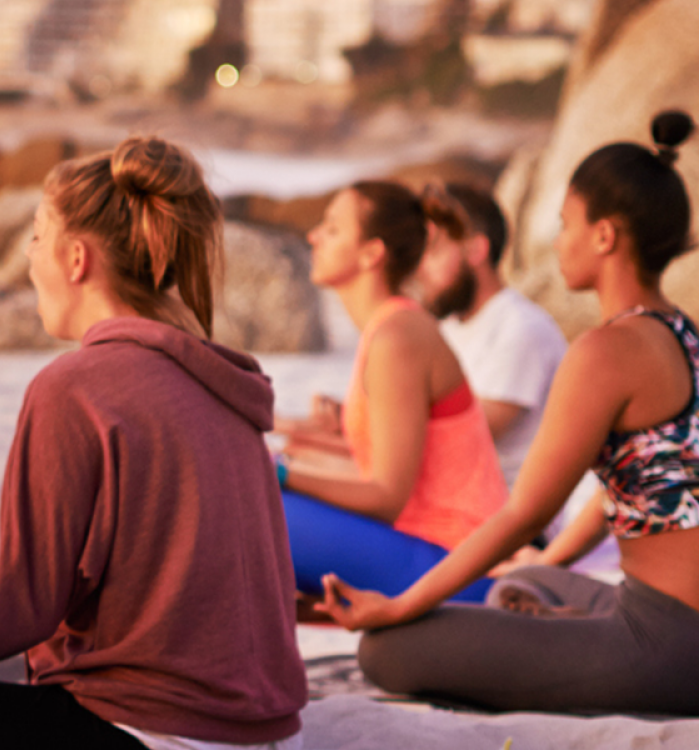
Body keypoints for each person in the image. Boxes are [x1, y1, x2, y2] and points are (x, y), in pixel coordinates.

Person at [0, 137, 307, 750]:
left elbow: (20, 610)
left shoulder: (75, 387)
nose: (29, 258)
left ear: (77, 259)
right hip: (266, 735)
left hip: (152, 734)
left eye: (35, 236)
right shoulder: (226, 382)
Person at [324, 111, 699, 717]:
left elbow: (527, 510)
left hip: (666, 643)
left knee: (385, 651)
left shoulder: (606, 351)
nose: (557, 242)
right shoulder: (684, 334)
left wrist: (399, 606)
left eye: (564, 224)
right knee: (530, 582)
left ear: (604, 236)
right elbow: (634, 497)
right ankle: (564, 615)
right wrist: (550, 563)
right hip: (669, 618)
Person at [272, 180, 508, 603]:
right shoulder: (388, 329)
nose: (313, 236)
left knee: (258, 508)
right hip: (427, 548)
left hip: (458, 566)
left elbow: (386, 496)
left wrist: (283, 474)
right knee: (253, 492)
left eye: (332, 227)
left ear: (371, 254)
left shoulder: (397, 337)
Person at [415, 182, 568, 481]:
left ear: (476, 249)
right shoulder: (445, 329)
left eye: (432, 251)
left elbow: (461, 442)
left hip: (498, 521)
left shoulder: (521, 328)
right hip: (445, 509)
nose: (421, 269)